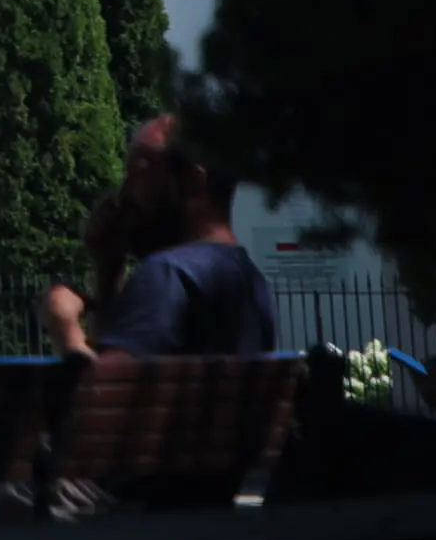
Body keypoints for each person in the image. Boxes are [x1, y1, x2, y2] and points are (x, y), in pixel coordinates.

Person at [43, 120, 276, 360]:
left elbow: (104, 392)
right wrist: (108, 270)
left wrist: (65, 328)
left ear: (194, 182)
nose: (123, 196)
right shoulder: (249, 279)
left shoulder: (169, 274)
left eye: (138, 173)